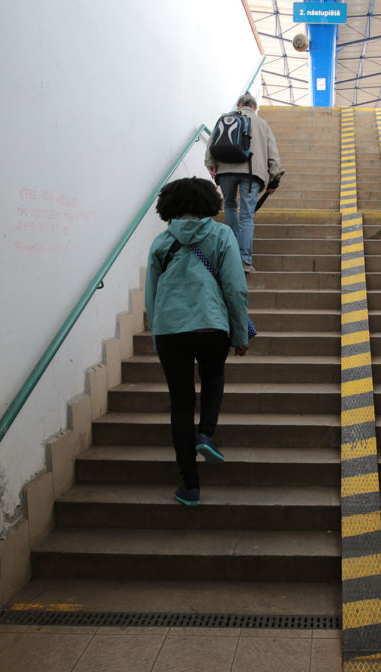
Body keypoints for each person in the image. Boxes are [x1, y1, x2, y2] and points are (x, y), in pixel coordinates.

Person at [145, 177, 250, 506]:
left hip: (169, 331)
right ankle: (206, 433)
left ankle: (189, 487)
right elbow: (235, 288)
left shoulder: (161, 242)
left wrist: (157, 335)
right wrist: (239, 333)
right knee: (214, 376)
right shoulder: (222, 235)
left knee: (180, 404)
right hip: (211, 326)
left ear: (169, 207)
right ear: (210, 203)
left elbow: (151, 297)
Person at [205, 92, 282, 273]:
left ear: (239, 105)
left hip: (225, 171)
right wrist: (274, 179)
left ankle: (231, 256)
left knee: (230, 207)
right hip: (251, 174)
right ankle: (244, 261)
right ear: (254, 107)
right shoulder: (262, 124)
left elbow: (211, 142)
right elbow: (273, 153)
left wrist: (210, 164)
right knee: (247, 215)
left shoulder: (226, 118)